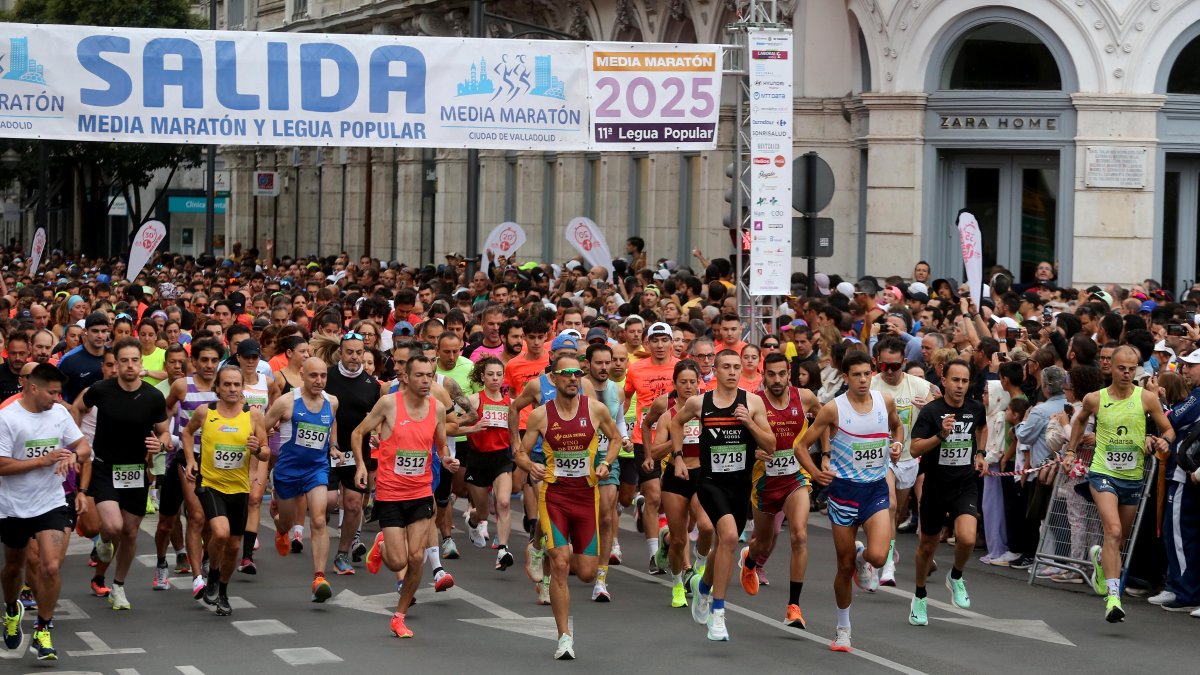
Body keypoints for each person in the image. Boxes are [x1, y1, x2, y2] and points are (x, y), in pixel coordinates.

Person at [794, 351, 903, 652]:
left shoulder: (885, 402)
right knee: (843, 567)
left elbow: (898, 427)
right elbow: (800, 446)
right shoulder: (833, 409)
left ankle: (863, 557)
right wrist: (816, 473)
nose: (864, 380)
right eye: (857, 374)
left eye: (867, 373)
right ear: (845, 377)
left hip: (875, 490)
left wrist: (896, 444)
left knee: (879, 557)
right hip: (843, 492)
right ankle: (843, 629)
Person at [515, 354, 622, 659]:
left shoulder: (596, 409)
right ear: (554, 377)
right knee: (561, 563)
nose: (573, 378)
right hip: (555, 497)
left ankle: (543, 549)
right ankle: (564, 637)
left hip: (587, 498)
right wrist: (530, 466)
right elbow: (521, 453)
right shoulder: (540, 415)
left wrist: (607, 463)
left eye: (577, 373)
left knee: (586, 573)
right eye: (566, 374)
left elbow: (615, 439)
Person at [670, 349, 776, 642]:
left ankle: (703, 587)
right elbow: (676, 422)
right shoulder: (699, 402)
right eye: (726, 367)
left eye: (736, 367)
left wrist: (750, 424)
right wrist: (678, 456)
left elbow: (771, 444)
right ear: (714, 370)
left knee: (725, 544)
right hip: (710, 482)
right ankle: (718, 614)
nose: (732, 371)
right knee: (729, 537)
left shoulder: (752, 402)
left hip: (740, 485)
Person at [1063, 345, 1174, 622]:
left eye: (1131, 368)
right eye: (1121, 368)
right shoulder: (1095, 399)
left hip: (1132, 477)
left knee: (1118, 538)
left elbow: (1168, 428)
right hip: (1102, 473)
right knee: (1112, 531)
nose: (1126, 373)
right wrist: (1070, 451)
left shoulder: (1147, 398)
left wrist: (1164, 440)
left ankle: (1100, 560)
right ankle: (1113, 598)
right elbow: (1079, 423)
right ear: (1110, 368)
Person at [359, 355, 454, 639]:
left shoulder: (436, 408)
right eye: (420, 375)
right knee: (398, 562)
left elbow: (440, 445)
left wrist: (447, 460)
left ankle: (399, 615)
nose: (426, 381)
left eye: (429, 375)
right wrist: (362, 465)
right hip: (390, 492)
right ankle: (382, 544)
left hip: (421, 492)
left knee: (416, 557)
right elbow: (358, 432)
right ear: (406, 378)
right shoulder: (389, 403)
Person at [73, 337, 171, 611]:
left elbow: (164, 432)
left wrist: (160, 443)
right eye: (123, 361)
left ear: (141, 363)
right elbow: (78, 408)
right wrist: (78, 440)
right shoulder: (101, 390)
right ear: (115, 365)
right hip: (105, 467)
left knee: (129, 532)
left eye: (134, 360)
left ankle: (118, 585)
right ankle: (104, 540)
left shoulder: (153, 396)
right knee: (114, 526)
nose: (129, 365)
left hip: (136, 470)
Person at [0, 364, 90, 661]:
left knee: (50, 566)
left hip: (50, 502)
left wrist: (74, 456)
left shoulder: (60, 413)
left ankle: (43, 628)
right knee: (14, 568)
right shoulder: (7, 418)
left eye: (59, 391)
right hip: (12, 506)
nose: (57, 397)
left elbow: (83, 445)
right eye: (52, 392)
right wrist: (43, 461)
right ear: (33, 387)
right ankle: (12, 609)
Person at [181, 366, 269, 616]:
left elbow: (266, 452)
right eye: (227, 384)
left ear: (243, 388)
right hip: (210, 484)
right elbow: (187, 433)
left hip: (239, 488)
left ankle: (222, 588)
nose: (232, 389)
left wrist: (257, 449)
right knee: (220, 532)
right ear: (217, 388)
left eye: (236, 385)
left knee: (233, 546)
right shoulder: (205, 412)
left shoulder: (253, 416)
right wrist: (190, 460)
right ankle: (213, 574)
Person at [908, 359, 988, 625]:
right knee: (927, 547)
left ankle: (955, 576)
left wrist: (980, 453)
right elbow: (915, 449)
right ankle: (919, 596)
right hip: (935, 485)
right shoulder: (932, 411)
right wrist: (940, 436)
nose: (960, 386)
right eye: (955, 380)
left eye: (965, 381)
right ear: (944, 381)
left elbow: (982, 427)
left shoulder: (975, 407)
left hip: (964, 484)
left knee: (966, 538)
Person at [743, 352, 820, 628]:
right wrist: (752, 452)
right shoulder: (754, 402)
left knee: (799, 536)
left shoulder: (805, 397)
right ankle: (750, 560)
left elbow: (824, 420)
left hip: (795, 478)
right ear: (763, 375)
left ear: (789, 373)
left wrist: (825, 449)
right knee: (763, 542)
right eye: (771, 374)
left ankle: (793, 607)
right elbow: (739, 440)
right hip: (764, 482)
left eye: (781, 374)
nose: (776, 380)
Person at [266, 357, 348, 602]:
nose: (319, 381)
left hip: (316, 468)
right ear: (302, 374)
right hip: (288, 471)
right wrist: (265, 436)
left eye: (323, 376)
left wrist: (333, 446)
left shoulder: (331, 402)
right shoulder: (287, 402)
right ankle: (281, 527)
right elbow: (261, 426)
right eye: (313, 376)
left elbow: (331, 426)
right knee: (287, 523)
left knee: (320, 518)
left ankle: (319, 577)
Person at [646, 360, 710, 608]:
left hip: (701, 475)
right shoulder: (667, 416)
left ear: (699, 383)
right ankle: (676, 584)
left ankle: (700, 568)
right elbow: (656, 453)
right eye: (682, 382)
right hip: (675, 479)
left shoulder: (707, 410)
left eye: (692, 382)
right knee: (680, 539)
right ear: (674, 384)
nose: (688, 386)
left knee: (706, 527)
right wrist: (676, 444)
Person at [869, 337, 932, 585]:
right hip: (878, 457)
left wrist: (929, 406)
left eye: (896, 366)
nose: (891, 371)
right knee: (890, 505)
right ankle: (886, 566)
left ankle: (879, 551)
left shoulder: (919, 385)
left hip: (909, 458)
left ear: (904, 362)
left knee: (895, 514)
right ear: (877, 362)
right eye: (885, 366)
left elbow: (943, 407)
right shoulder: (870, 385)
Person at [161, 339, 221, 598]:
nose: (209, 365)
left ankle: (205, 559)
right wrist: (165, 432)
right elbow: (164, 410)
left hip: (216, 461)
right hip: (186, 457)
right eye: (204, 360)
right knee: (186, 518)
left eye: (214, 360)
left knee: (208, 519)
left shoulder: (225, 387)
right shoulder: (181, 386)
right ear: (193, 362)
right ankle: (187, 573)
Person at [324, 332, 380, 574]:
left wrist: (376, 431)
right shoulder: (326, 377)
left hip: (356, 454)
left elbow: (376, 418)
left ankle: (341, 554)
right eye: (350, 352)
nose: (355, 357)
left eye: (359, 352)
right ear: (340, 352)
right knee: (328, 501)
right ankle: (319, 519)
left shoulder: (372, 385)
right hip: (327, 450)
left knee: (354, 504)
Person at [626, 322, 679, 573]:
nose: (659, 345)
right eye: (654, 341)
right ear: (647, 343)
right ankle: (652, 554)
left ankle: (666, 538)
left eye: (664, 340)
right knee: (654, 496)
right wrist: (621, 429)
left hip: (674, 439)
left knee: (671, 500)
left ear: (671, 342)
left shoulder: (680, 367)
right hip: (643, 439)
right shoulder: (635, 369)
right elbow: (626, 399)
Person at [457, 357, 517, 571]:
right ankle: (472, 522)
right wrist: (471, 426)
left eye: (498, 375)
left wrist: (517, 450)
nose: (494, 378)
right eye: (490, 374)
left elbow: (513, 431)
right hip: (478, 459)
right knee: (482, 513)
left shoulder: (509, 404)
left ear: (503, 377)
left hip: (501, 458)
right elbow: (452, 425)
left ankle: (503, 549)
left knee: (503, 503)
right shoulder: (473, 400)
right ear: (482, 377)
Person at [582, 342, 630, 601]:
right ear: (587, 364)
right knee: (582, 512)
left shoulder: (617, 391)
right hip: (579, 457)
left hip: (608, 456)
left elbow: (619, 420)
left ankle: (601, 580)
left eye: (607, 363)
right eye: (598, 363)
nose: (604, 368)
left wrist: (625, 437)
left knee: (607, 515)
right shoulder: (577, 389)